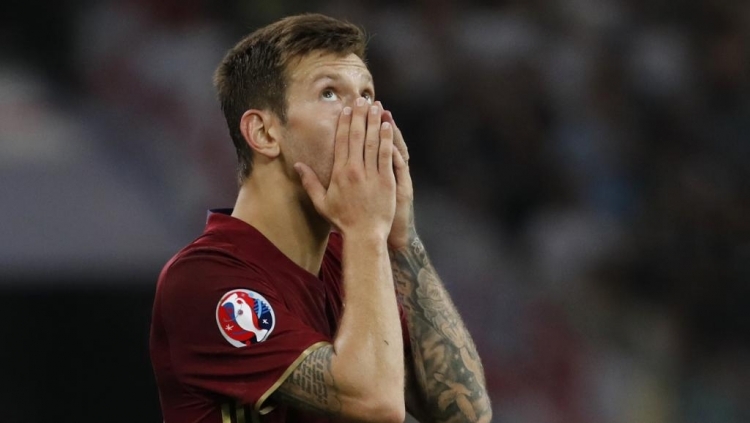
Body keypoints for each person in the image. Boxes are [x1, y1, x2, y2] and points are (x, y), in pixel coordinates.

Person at [149, 13, 492, 423]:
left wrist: (403, 239)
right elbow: (375, 403)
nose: (365, 116)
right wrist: (367, 231)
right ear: (264, 133)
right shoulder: (204, 280)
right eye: (330, 93)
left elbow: (464, 414)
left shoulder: (348, 260)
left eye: (367, 94)